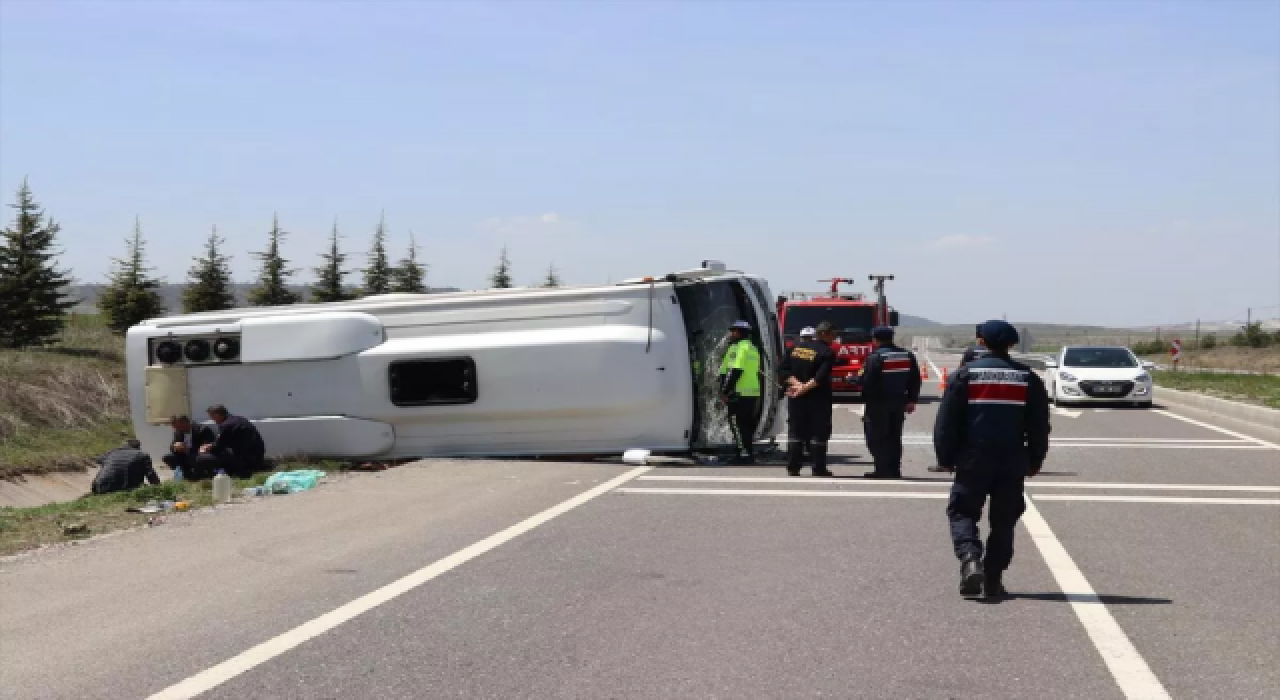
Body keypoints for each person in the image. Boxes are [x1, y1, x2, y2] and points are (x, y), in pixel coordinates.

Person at [933, 320, 1050, 599]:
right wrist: (1036, 458)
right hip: (1012, 459)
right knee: (1004, 520)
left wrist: (945, 457)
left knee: (963, 512)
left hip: (973, 458)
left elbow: (947, 423)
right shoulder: (1027, 378)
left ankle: (971, 560)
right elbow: (1039, 425)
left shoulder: (965, 375)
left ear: (981, 341)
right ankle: (993, 578)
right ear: (1011, 343)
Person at [860, 326, 922, 479]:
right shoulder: (907, 355)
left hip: (878, 403)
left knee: (876, 437)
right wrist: (912, 399)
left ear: (875, 339)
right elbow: (915, 379)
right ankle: (894, 469)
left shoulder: (875, 357)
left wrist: (854, 380)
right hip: (899, 401)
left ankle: (881, 470)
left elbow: (869, 382)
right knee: (894, 437)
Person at [778, 323, 835, 477]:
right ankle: (818, 468)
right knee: (818, 433)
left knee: (796, 431)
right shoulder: (826, 352)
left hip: (797, 398)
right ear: (823, 334)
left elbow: (783, 370)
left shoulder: (794, 348)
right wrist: (804, 387)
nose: (834, 338)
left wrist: (796, 385)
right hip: (818, 399)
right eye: (832, 334)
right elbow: (820, 378)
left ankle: (793, 467)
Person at [718, 320, 762, 465]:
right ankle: (747, 453)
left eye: (734, 331)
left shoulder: (739, 348)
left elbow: (734, 370)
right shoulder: (753, 348)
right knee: (746, 425)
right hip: (752, 392)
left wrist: (725, 390)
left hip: (739, 392)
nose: (731, 334)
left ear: (740, 333)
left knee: (737, 424)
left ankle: (743, 455)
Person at [199, 404, 267, 478]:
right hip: (257, 454)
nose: (212, 419)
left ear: (217, 415)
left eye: (212, 417)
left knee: (205, 457)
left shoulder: (227, 425)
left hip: (247, 458)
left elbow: (220, 446)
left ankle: (222, 473)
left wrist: (207, 448)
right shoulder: (238, 419)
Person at [91, 439, 160, 494]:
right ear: (138, 447)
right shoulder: (142, 455)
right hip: (124, 488)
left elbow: (98, 460)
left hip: (100, 488)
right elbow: (150, 474)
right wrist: (158, 487)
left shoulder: (112, 452)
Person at [161, 414, 217, 479]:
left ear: (186, 423)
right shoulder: (178, 432)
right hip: (183, 455)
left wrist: (204, 447)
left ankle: (201, 476)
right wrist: (175, 446)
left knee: (199, 458)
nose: (177, 429)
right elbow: (172, 445)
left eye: (178, 427)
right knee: (167, 457)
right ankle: (186, 474)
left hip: (198, 454)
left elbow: (212, 443)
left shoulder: (202, 429)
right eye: (175, 427)